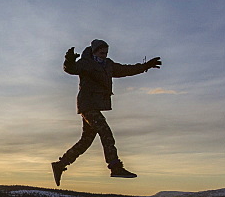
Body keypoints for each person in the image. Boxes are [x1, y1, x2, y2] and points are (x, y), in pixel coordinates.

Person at [52, 39, 161, 184]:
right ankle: (115, 167)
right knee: (105, 132)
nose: (104, 55)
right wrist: (69, 60)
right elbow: (71, 69)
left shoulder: (108, 65)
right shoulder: (86, 63)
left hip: (94, 106)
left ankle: (60, 164)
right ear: (94, 51)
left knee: (86, 141)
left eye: (106, 53)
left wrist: (146, 66)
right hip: (87, 105)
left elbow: (126, 70)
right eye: (101, 52)